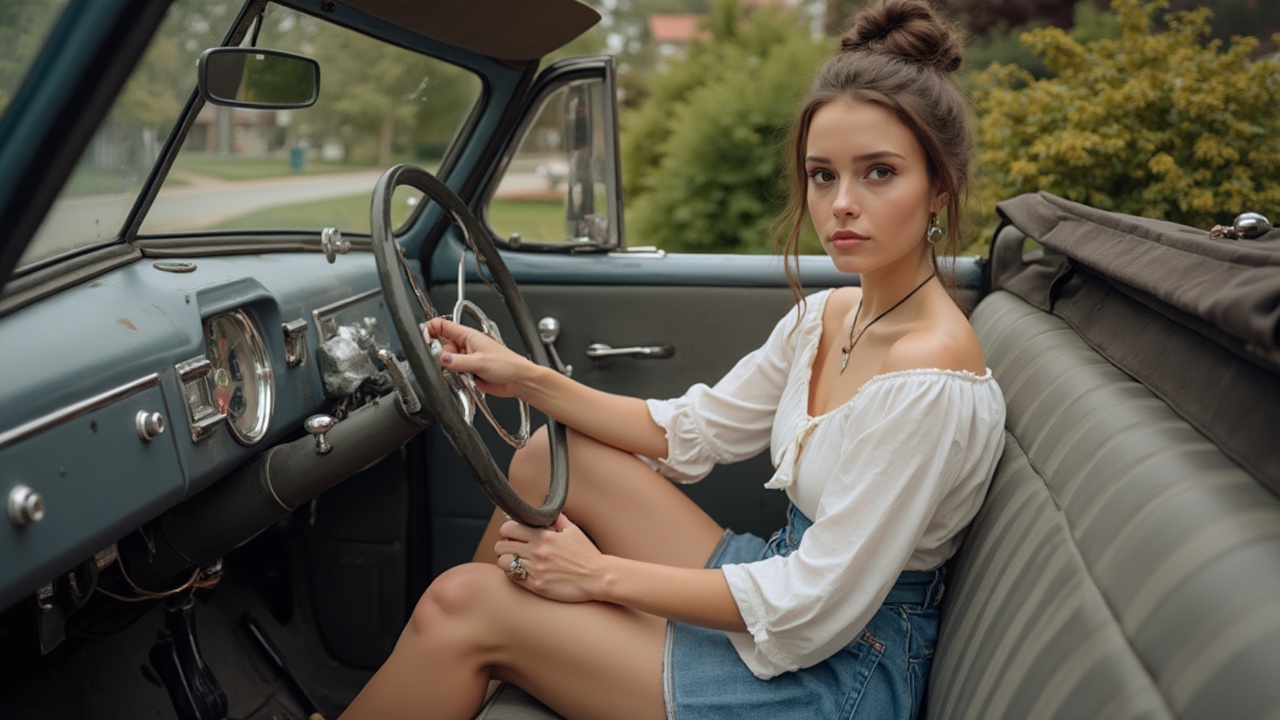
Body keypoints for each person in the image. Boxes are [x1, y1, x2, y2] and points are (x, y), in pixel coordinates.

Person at [339, 1, 1005, 718]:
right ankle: (475, 664)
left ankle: (476, 643)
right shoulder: (831, 315)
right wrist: (523, 376)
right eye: (822, 175)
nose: (841, 204)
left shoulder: (928, 371)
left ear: (938, 187)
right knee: (545, 456)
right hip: (787, 578)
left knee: (458, 602)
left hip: (843, 668)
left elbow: (816, 606)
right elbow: (693, 429)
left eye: (879, 173)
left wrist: (598, 577)